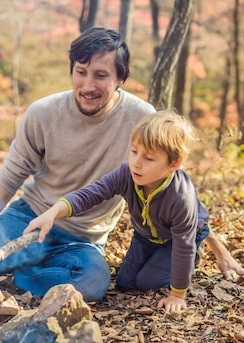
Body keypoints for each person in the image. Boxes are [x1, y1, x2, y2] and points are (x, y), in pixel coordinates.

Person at [0, 27, 244, 302]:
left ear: (120, 79)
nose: (87, 86)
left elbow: (178, 191)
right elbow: (6, 182)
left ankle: (22, 268)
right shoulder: (43, 113)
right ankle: (1, 255)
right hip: (30, 218)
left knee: (93, 285)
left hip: (84, 240)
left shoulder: (141, 118)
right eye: (81, 73)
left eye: (100, 75)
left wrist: (219, 250)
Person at [24, 110, 209, 312]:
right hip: (147, 235)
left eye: (148, 158)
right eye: (134, 151)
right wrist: (54, 211)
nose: (136, 162)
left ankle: (190, 262)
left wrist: (177, 295)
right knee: (125, 282)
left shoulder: (181, 198)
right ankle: (157, 258)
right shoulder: (127, 174)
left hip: (179, 240)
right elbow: (91, 194)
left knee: (147, 281)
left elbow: (184, 246)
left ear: (174, 163)